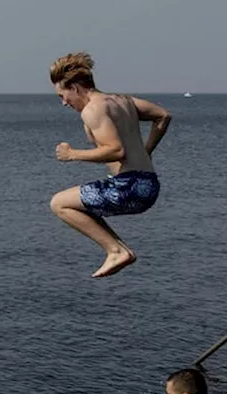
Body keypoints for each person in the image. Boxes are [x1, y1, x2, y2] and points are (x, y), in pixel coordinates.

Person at [48, 52, 172, 278]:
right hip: (148, 185)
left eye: (63, 95)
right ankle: (118, 250)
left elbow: (116, 150)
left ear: (75, 87)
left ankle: (115, 250)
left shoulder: (93, 110)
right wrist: (146, 151)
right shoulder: (124, 101)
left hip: (128, 187)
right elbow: (163, 116)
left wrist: (72, 154)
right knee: (78, 205)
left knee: (59, 204)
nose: (64, 102)